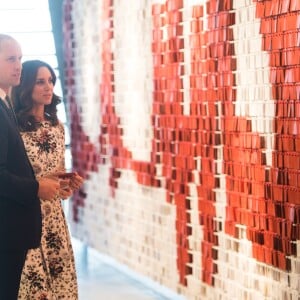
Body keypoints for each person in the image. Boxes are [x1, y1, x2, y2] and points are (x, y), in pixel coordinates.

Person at [12, 59, 83, 299]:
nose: (48, 87)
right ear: (26, 86)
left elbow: (58, 176)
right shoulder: (15, 128)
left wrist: (67, 185)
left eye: (51, 81)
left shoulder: (57, 127)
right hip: (27, 216)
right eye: (40, 81)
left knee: (60, 285)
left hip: (54, 219)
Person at [0, 35, 61, 300]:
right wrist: (37, 186)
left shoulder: (5, 105)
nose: (18, 66)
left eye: (20, 58)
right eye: (11, 59)